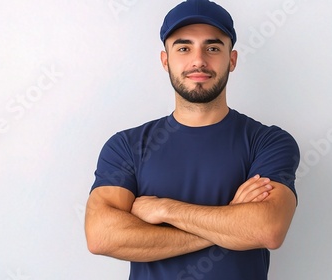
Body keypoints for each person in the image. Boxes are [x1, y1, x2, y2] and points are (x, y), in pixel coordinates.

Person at [85, 0, 300, 279]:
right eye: (184, 48)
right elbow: (102, 236)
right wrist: (230, 222)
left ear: (231, 60)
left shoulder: (269, 142)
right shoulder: (127, 146)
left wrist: (164, 209)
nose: (198, 60)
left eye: (212, 48)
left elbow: (266, 229)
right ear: (166, 61)